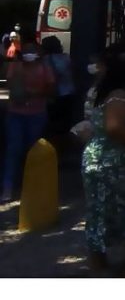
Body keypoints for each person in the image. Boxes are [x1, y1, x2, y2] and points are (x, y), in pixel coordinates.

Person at [81, 51, 125, 275]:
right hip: (113, 167)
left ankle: (106, 264)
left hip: (111, 164)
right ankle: (106, 266)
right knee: (114, 212)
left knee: (105, 212)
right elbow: (115, 127)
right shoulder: (119, 96)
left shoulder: (109, 95)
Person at [2, 41, 55, 201]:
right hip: (16, 113)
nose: (28, 54)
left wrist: (33, 93)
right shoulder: (15, 67)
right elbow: (10, 85)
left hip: (36, 113)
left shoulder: (44, 68)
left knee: (33, 150)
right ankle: (8, 187)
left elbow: (51, 88)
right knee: (13, 149)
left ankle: (31, 185)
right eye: (26, 51)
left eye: (31, 51)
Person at [41, 36, 76, 137]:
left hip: (54, 94)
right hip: (69, 93)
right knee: (66, 121)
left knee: (53, 122)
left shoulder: (45, 60)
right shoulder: (66, 58)